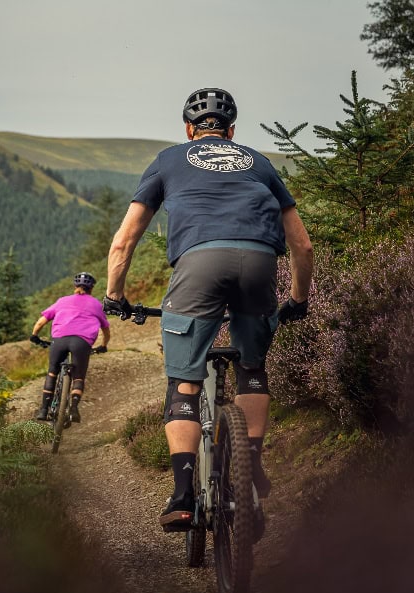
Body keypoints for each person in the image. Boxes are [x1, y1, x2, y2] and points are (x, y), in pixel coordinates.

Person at [104, 88, 314, 532]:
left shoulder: (168, 160)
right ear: (231, 132)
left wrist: (115, 296)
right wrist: (297, 300)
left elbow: (124, 241)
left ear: (189, 129)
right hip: (259, 262)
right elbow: (302, 244)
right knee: (252, 368)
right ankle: (250, 471)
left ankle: (183, 496)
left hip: (199, 264)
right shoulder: (259, 163)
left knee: (184, 381)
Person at [30, 272, 111, 423]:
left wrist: (34, 335)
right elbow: (106, 330)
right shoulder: (96, 304)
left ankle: (43, 410)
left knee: (52, 372)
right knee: (78, 377)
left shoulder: (62, 301)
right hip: (82, 343)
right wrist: (103, 345)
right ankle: (73, 408)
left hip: (59, 340)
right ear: (91, 288)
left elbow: (41, 321)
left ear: (75, 286)